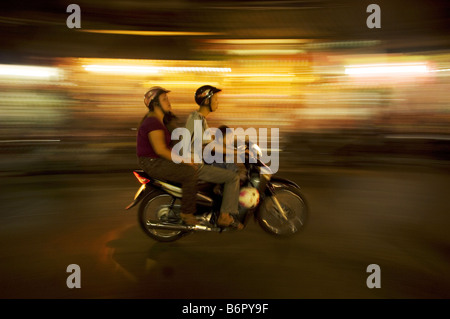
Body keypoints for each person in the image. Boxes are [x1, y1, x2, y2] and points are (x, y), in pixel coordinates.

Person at [137, 86, 242, 229]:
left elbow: (208, 142)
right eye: (164, 99)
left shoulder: (195, 119)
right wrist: (185, 159)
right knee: (224, 176)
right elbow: (160, 149)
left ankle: (215, 209)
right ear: (155, 104)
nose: (168, 102)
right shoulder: (154, 122)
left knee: (226, 169)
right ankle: (195, 214)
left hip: (161, 161)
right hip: (154, 163)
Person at [184, 85, 243, 229]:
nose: (218, 102)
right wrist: (236, 153)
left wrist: (234, 147)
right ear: (206, 101)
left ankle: (217, 206)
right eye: (215, 99)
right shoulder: (197, 120)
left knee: (224, 166)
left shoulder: (199, 119)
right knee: (232, 177)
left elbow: (210, 143)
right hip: (196, 166)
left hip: (197, 162)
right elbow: (212, 146)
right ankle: (224, 216)